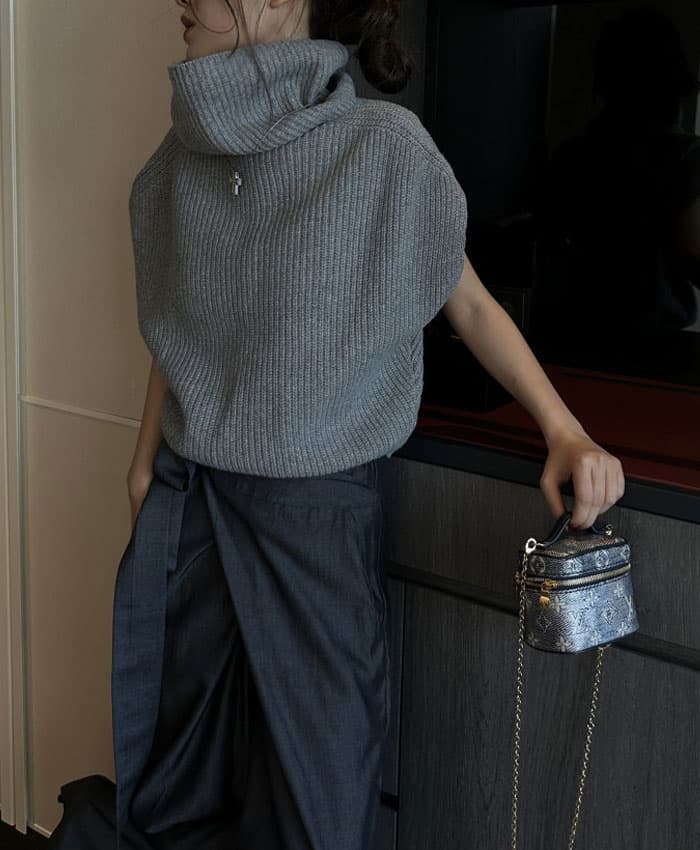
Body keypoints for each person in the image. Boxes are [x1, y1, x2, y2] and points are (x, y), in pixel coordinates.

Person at [47, 1, 625, 849]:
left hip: (315, 528)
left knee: (316, 800)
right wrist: (142, 468)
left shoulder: (381, 148)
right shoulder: (179, 161)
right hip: (191, 512)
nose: (180, 1)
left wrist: (564, 429)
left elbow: (466, 300)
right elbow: (179, 328)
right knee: (177, 791)